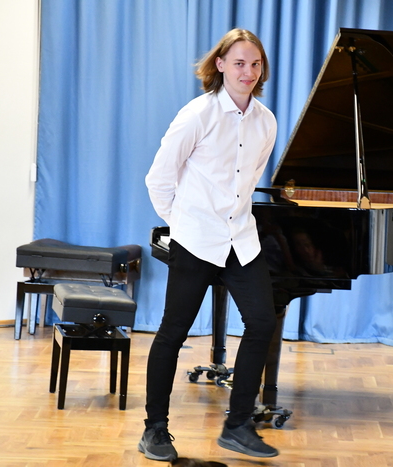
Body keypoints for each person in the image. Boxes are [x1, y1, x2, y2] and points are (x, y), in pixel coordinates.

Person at [139, 28, 279, 462]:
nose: (248, 72)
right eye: (239, 63)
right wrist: (183, 224)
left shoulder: (266, 122)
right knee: (173, 332)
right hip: (195, 240)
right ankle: (154, 430)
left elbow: (248, 182)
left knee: (262, 322)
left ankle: (237, 426)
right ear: (220, 65)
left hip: (241, 240)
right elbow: (159, 179)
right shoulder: (197, 114)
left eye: (255, 64)